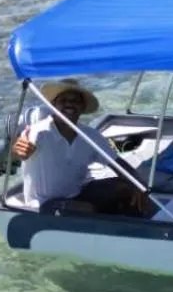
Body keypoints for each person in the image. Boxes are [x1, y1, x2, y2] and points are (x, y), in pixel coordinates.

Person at [12, 80, 152, 217]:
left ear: (82, 107)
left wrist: (138, 182)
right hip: (43, 204)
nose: (70, 104)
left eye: (75, 101)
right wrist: (19, 150)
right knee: (85, 209)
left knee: (127, 187)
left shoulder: (91, 135)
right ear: (54, 105)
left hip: (78, 193)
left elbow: (117, 163)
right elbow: (21, 148)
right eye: (64, 100)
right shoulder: (39, 132)